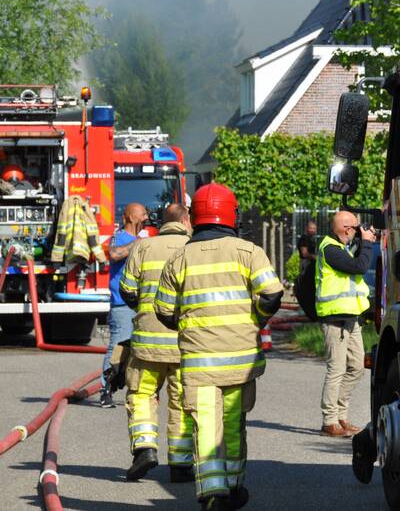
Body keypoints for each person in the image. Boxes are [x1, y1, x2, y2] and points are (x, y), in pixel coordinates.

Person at [155, 183, 283, 511]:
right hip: (240, 362)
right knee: (234, 423)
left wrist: (188, 327)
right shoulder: (249, 252)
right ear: (231, 214)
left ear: (195, 217)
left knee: (206, 427)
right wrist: (255, 320)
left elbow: (164, 311)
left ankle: (213, 493)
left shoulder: (179, 257)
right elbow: (271, 295)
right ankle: (234, 484)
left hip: (199, 363)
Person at [118, 204, 196, 483]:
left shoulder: (143, 247)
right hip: (184, 344)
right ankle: (181, 464)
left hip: (147, 343)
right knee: (181, 403)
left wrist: (145, 309)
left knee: (141, 395)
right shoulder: (192, 247)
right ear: (186, 220)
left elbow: (126, 289)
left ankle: (144, 449)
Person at [316, 210, 374, 437]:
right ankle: (329, 421)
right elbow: (360, 267)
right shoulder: (330, 249)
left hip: (350, 318)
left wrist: (364, 242)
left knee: (357, 367)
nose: (358, 231)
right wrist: (368, 244)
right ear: (347, 228)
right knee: (337, 369)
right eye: (355, 227)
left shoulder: (342, 248)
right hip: (335, 319)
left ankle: (341, 415)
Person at [101, 202, 149, 408]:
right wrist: (138, 243)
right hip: (122, 304)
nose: (146, 218)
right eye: (143, 214)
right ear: (131, 217)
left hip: (140, 303)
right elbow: (114, 254)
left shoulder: (143, 240)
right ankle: (106, 390)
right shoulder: (120, 237)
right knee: (118, 347)